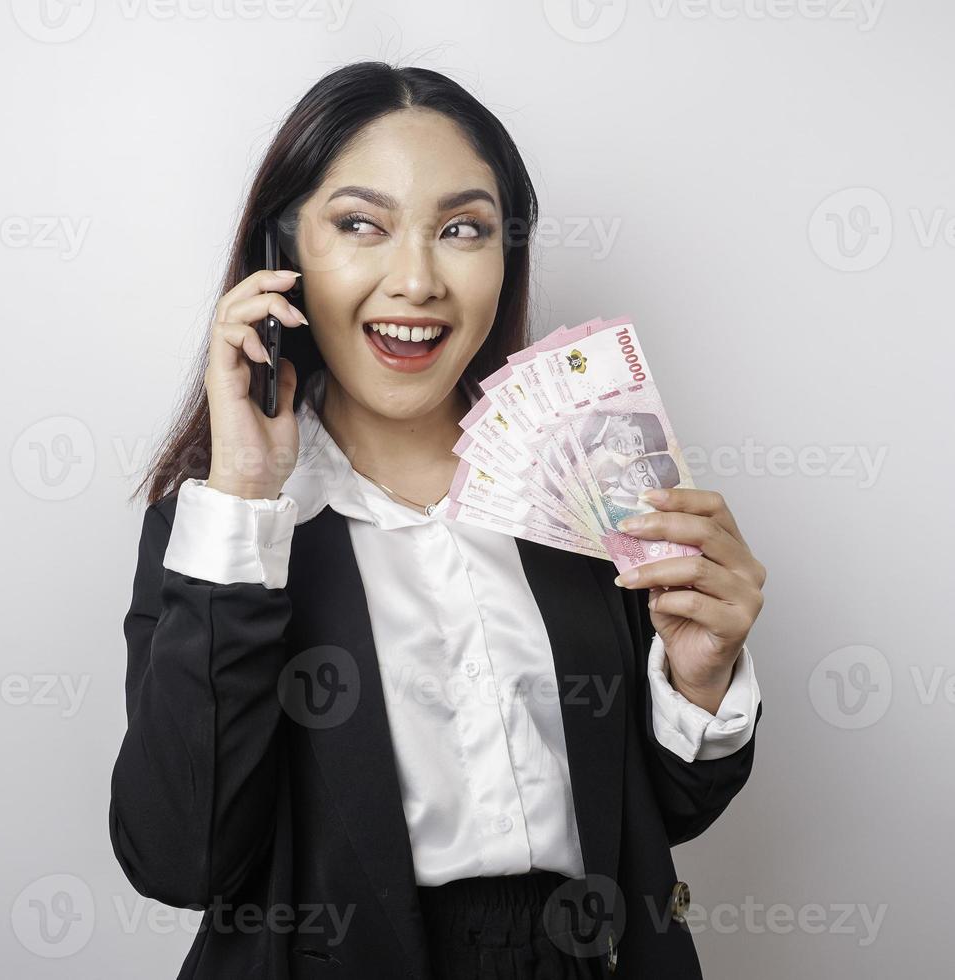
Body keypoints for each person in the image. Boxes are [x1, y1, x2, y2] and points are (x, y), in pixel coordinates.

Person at [109, 61, 768, 980]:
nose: (415, 280)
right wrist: (248, 495)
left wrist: (699, 678)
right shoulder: (223, 528)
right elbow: (180, 857)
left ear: (507, 256)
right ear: (282, 253)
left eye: (463, 229)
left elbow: (661, 810)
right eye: (360, 226)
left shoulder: (583, 487)